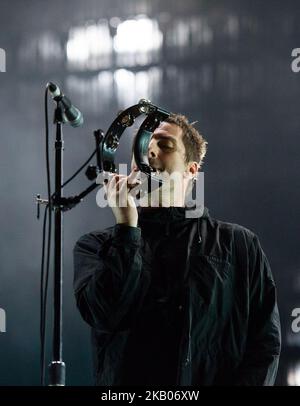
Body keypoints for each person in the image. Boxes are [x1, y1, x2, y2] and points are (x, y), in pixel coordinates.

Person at [73, 114, 281, 386]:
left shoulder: (239, 245)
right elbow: (106, 313)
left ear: (191, 170)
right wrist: (126, 229)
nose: (150, 152)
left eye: (165, 145)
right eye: (143, 147)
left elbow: (264, 345)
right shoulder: (97, 245)